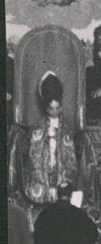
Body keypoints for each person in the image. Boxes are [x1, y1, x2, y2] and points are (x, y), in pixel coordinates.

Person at [21, 72, 78, 206]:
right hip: (44, 170)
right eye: (51, 108)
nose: (54, 111)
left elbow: (70, 155)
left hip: (60, 169)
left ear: (61, 108)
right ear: (47, 109)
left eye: (57, 108)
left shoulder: (66, 128)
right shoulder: (38, 127)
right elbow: (34, 154)